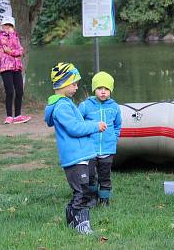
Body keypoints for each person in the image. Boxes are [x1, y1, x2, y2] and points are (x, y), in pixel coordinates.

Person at [44, 62, 100, 235]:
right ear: (62, 84)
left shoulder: (66, 103)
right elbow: (74, 128)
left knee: (85, 190)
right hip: (75, 157)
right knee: (81, 192)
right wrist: (94, 126)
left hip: (81, 155)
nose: (76, 87)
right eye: (74, 83)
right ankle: (82, 225)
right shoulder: (61, 107)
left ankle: (71, 221)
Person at [79, 71, 122, 207]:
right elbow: (78, 123)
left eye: (106, 89)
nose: (103, 92)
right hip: (90, 149)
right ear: (94, 90)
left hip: (108, 148)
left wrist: (114, 138)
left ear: (110, 90)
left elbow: (117, 124)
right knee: (90, 176)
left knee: (105, 176)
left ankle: (104, 199)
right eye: (99, 88)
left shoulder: (114, 107)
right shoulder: (86, 105)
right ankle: (92, 198)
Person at [0, 16, 31, 124]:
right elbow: (5, 47)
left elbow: (21, 50)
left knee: (19, 90)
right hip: (6, 67)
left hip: (17, 67)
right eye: (6, 25)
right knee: (10, 91)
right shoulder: (0, 36)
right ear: (2, 26)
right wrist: (13, 51)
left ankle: (18, 115)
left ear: (13, 26)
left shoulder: (15, 36)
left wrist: (12, 52)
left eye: (10, 25)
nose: (7, 27)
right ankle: (9, 116)